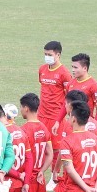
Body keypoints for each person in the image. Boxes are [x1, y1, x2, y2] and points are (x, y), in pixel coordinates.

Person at [37, 41, 72, 184]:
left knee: (56, 148)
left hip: (56, 116)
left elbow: (68, 95)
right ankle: (38, 172)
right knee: (40, 144)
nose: (47, 57)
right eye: (45, 54)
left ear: (58, 55)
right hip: (41, 114)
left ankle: (54, 176)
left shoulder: (64, 73)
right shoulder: (42, 69)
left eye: (49, 55)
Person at [52, 53, 97, 135]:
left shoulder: (94, 86)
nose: (73, 70)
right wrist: (58, 121)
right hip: (72, 123)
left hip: (85, 125)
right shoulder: (70, 83)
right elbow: (66, 103)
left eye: (75, 67)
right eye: (72, 67)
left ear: (85, 68)